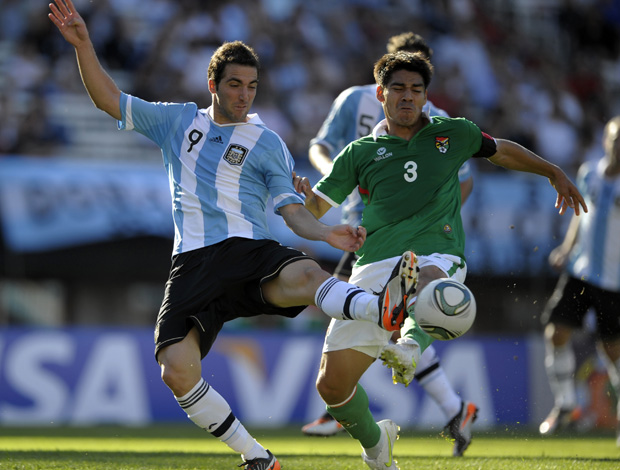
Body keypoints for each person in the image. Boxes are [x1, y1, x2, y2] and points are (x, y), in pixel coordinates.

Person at [48, 1, 416, 469]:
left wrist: (325, 233)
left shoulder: (267, 143)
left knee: (304, 274)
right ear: (213, 86)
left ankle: (378, 307)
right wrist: (83, 45)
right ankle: (257, 456)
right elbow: (108, 100)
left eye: (252, 87)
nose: (245, 96)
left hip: (247, 251)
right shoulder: (178, 122)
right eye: (235, 85)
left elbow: (290, 211)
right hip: (192, 263)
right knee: (176, 372)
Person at [295, 50, 587, 469]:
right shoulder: (359, 152)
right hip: (373, 265)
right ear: (381, 94)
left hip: (438, 251)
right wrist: (297, 195)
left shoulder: (453, 133)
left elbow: (500, 149)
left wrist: (551, 171)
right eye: (398, 89)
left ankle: (410, 347)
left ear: (426, 95)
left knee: (427, 277)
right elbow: (316, 208)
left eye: (416, 89)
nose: (408, 97)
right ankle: (378, 445)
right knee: (332, 386)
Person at [303, 31, 479, 458]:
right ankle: (454, 407)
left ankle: (388, 384)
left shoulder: (438, 121)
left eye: (417, 83)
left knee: (400, 308)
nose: (408, 93)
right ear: (384, 74)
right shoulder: (355, 101)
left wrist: (428, 216)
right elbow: (320, 147)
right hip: (359, 227)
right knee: (389, 315)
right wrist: (343, 179)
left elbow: (466, 178)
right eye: (399, 80)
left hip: (403, 238)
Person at [538, 115, 620, 446]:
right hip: (581, 271)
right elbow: (580, 215)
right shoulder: (589, 174)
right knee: (555, 331)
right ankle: (566, 404)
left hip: (615, 280)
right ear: (605, 142)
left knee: (613, 352)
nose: (619, 147)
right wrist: (567, 248)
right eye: (616, 140)